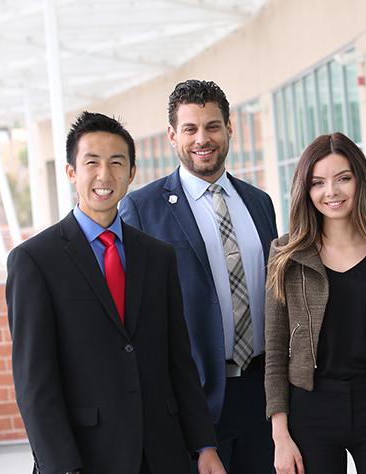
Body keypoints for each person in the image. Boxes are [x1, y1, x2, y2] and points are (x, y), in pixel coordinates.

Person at [7, 111, 225, 474]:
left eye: (116, 162)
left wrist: (204, 444)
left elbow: (179, 361)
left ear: (132, 173)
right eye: (91, 162)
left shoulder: (158, 256)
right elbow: (35, 384)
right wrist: (62, 466)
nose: (104, 175)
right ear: (71, 172)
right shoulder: (34, 261)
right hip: (86, 457)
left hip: (162, 451)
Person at [120, 79, 277, 473]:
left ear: (229, 128)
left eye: (212, 126)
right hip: (194, 402)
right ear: (173, 136)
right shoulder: (141, 210)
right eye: (190, 129)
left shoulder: (259, 203)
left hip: (262, 395)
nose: (202, 138)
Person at [265, 133, 366, 474]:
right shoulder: (286, 254)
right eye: (318, 182)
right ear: (306, 190)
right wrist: (280, 435)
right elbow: (276, 352)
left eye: (343, 178)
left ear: (360, 180)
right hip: (311, 409)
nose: (332, 192)